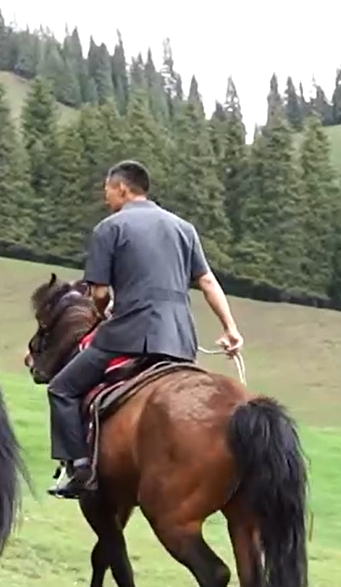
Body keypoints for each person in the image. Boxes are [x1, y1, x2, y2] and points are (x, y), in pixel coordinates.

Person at [47, 159, 244, 499]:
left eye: (107, 190)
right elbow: (208, 281)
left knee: (62, 389)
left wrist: (102, 309)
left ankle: (79, 467)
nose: (105, 197)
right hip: (181, 340)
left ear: (122, 188)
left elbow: (100, 292)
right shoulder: (185, 228)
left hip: (128, 335)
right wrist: (230, 329)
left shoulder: (110, 228)